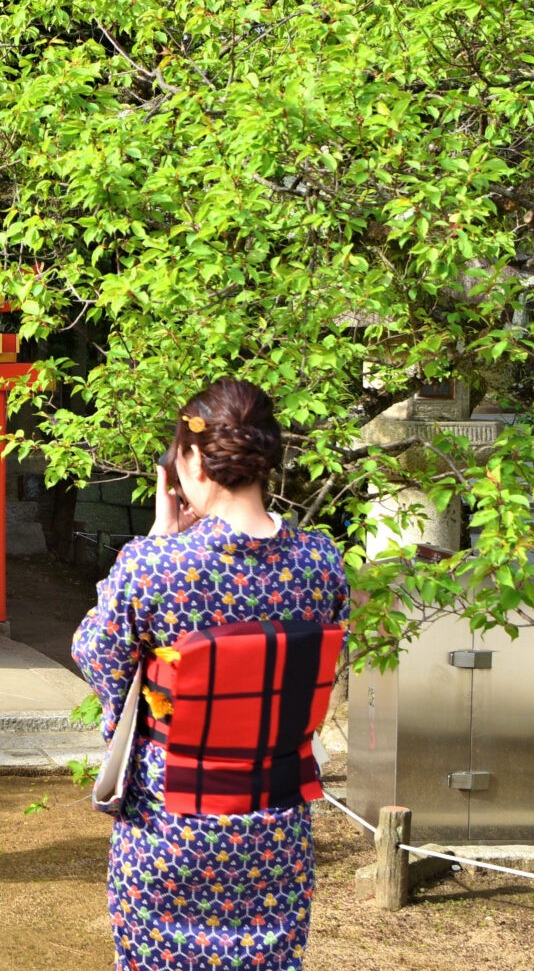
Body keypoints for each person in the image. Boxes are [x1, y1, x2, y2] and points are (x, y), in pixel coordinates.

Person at [71, 378, 349, 970]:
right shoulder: (322, 561)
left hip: (171, 819)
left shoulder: (154, 566)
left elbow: (98, 658)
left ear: (191, 460)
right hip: (275, 823)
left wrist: (155, 538)